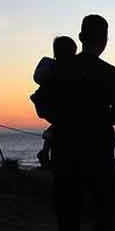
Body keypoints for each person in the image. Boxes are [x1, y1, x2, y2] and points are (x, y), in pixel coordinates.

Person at [38, 15, 115, 231]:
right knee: (103, 208)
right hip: (99, 151)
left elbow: (43, 106)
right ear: (104, 41)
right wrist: (99, 118)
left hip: (66, 150)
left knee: (68, 214)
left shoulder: (60, 70)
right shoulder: (111, 73)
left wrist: (66, 117)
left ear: (81, 38)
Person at [30, 36, 78, 168]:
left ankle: (45, 152)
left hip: (47, 104)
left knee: (57, 125)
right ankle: (46, 152)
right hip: (52, 103)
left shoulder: (52, 66)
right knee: (61, 122)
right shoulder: (59, 68)